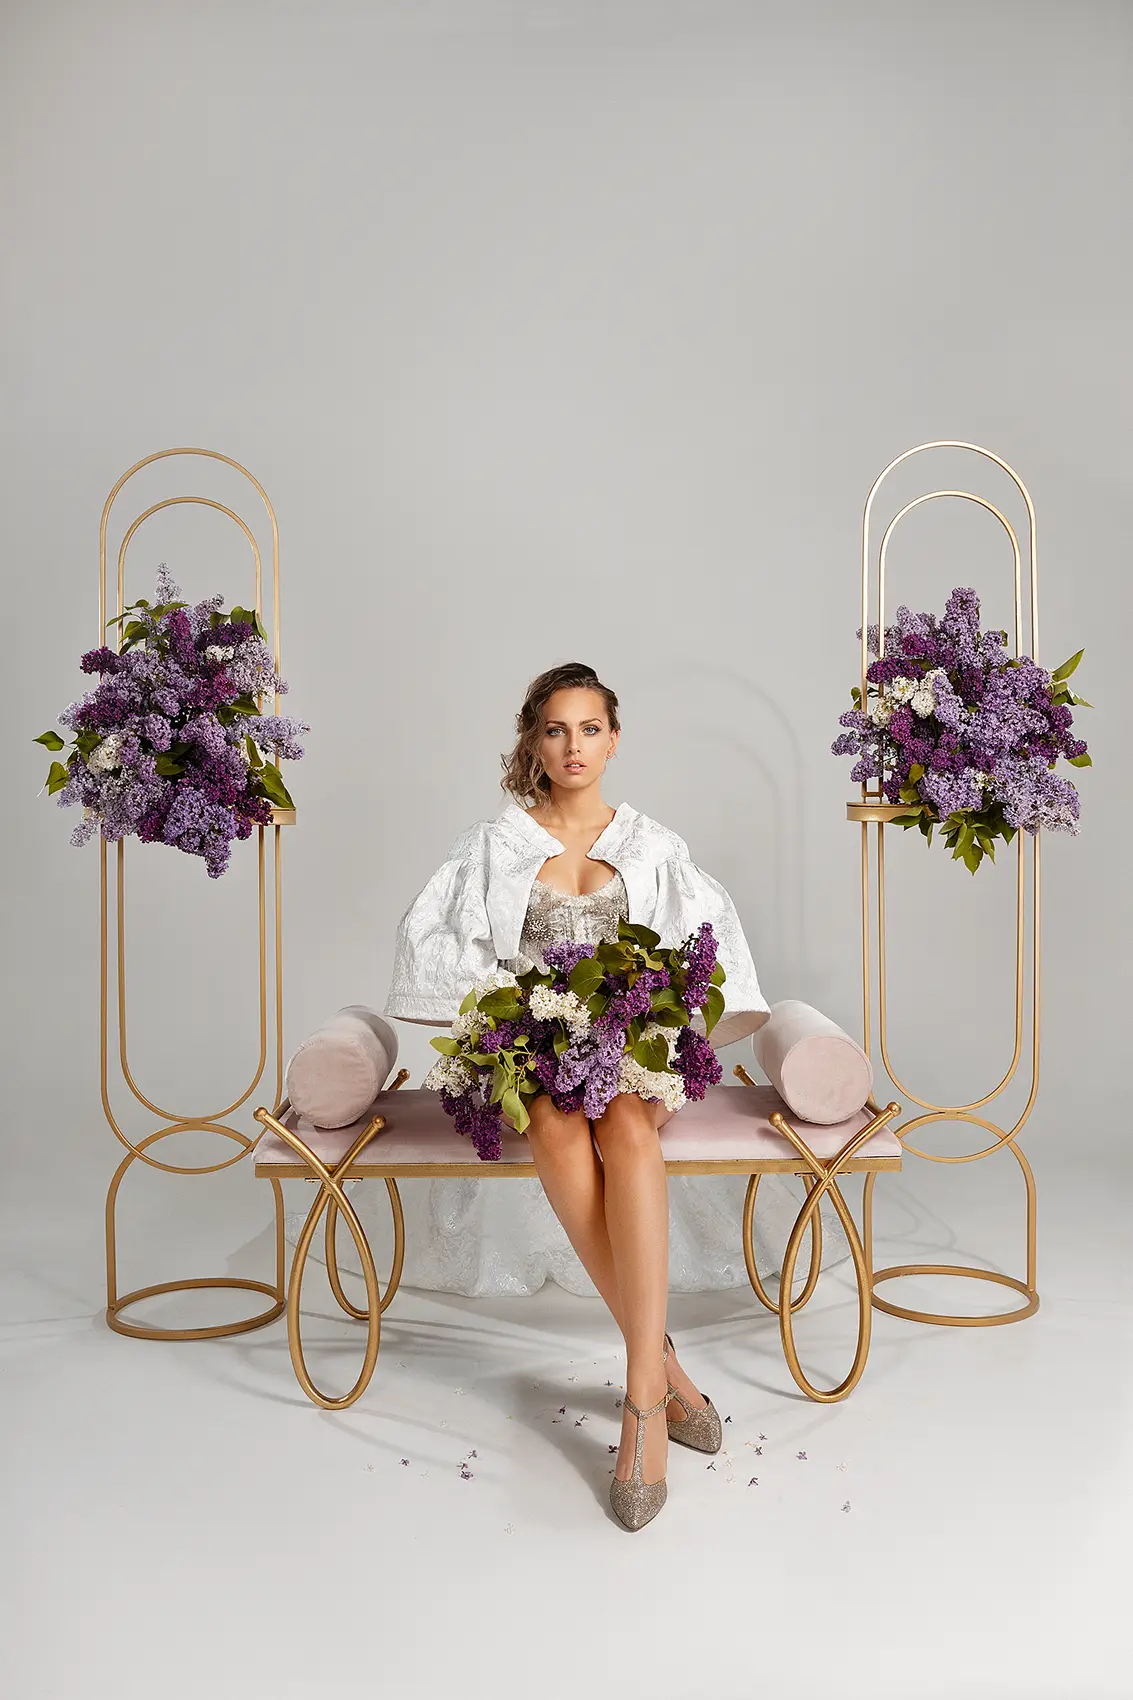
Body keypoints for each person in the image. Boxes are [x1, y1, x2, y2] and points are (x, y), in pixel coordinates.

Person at [384, 662, 771, 1531]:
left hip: (631, 1043)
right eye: (555, 729)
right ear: (533, 739)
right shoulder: (497, 843)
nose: (573, 747)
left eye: (589, 729)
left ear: (614, 739)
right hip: (534, 1044)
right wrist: (514, 1015)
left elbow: (698, 959)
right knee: (558, 1129)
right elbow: (447, 949)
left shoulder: (650, 845)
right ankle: (662, 1371)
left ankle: (641, 1400)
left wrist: (643, 1017)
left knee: (627, 1129)